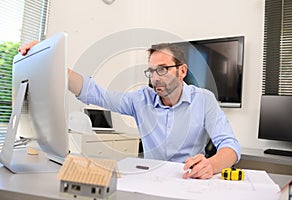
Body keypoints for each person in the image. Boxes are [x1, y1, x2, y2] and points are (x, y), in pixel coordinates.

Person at [18, 42, 241, 179]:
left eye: (162, 70)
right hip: (149, 181)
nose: (155, 78)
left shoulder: (204, 100)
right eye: (151, 71)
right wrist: (53, 62)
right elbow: (96, 94)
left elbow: (230, 146)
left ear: (182, 71)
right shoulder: (141, 99)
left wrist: (210, 165)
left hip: (189, 182)